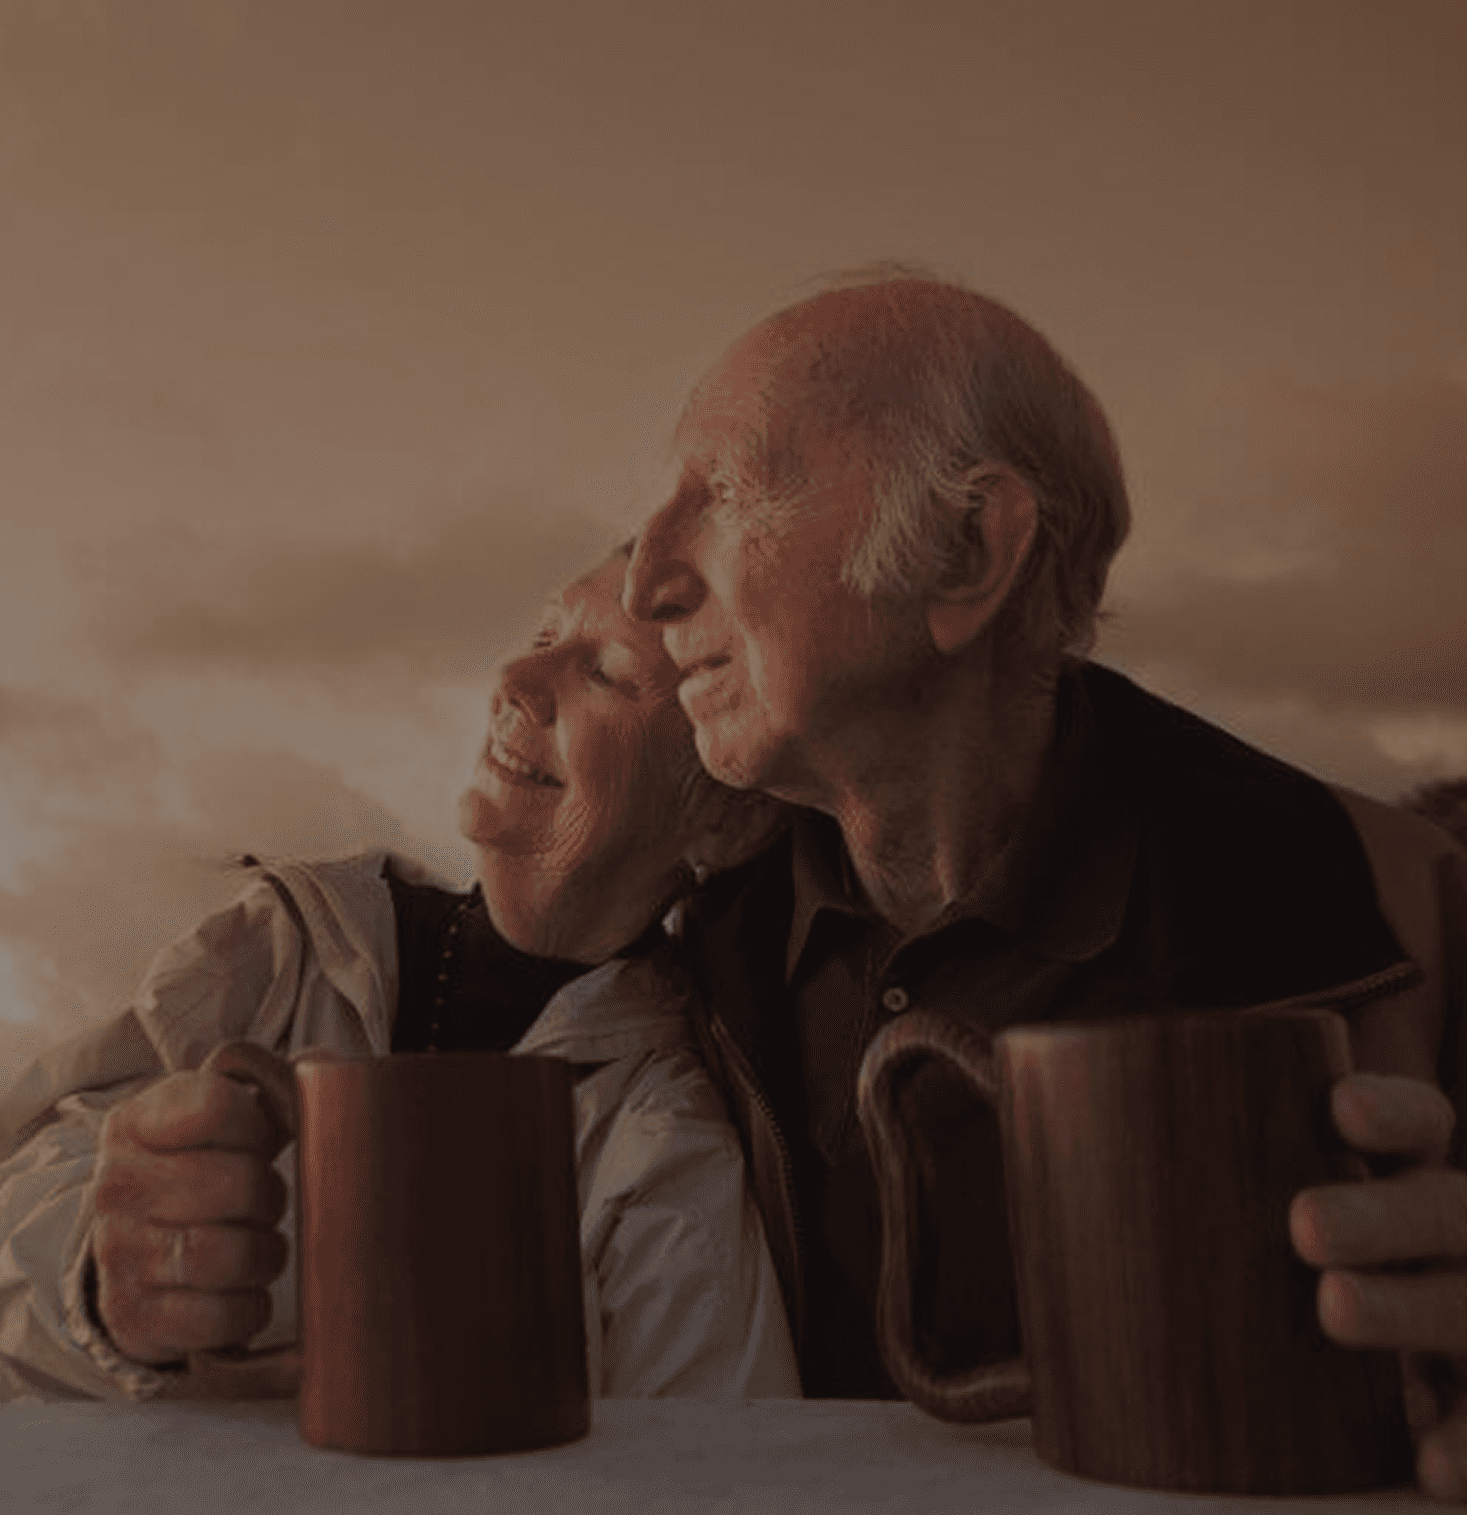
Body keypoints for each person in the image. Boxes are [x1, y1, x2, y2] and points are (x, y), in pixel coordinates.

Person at [619, 270, 1467, 1492]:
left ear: (968, 549)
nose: (645, 580)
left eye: (728, 491)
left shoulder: (1397, 900)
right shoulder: (696, 941)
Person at [0, 550, 803, 1404]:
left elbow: (711, 1473)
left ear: (726, 822)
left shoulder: (662, 1146)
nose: (517, 679)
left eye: (603, 671)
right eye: (542, 635)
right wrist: (95, 1286)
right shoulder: (283, 952)